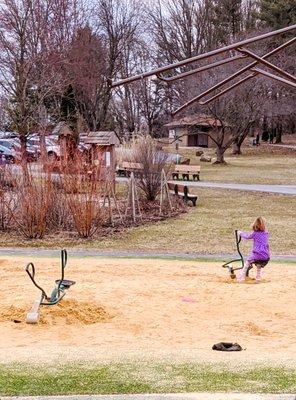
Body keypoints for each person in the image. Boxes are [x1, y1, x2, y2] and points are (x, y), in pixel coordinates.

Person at [237, 217, 270, 283]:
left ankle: (241, 277)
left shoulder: (255, 233)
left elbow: (247, 236)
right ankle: (258, 277)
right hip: (266, 255)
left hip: (257, 253)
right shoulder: (266, 233)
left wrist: (240, 233)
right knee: (259, 264)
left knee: (248, 262)